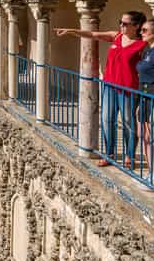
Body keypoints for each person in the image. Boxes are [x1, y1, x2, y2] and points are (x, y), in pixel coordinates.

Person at [55, 11, 147, 167]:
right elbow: (92, 34)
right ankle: (109, 154)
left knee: (128, 122)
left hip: (129, 90)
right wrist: (72, 31)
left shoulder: (142, 45)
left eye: (125, 23)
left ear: (136, 26)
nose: (121, 25)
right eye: (120, 22)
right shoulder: (117, 36)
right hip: (110, 86)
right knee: (106, 120)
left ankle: (130, 156)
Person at [136, 18, 154, 177]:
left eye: (145, 30)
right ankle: (152, 172)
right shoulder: (147, 50)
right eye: (141, 30)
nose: (141, 32)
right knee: (144, 135)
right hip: (143, 96)